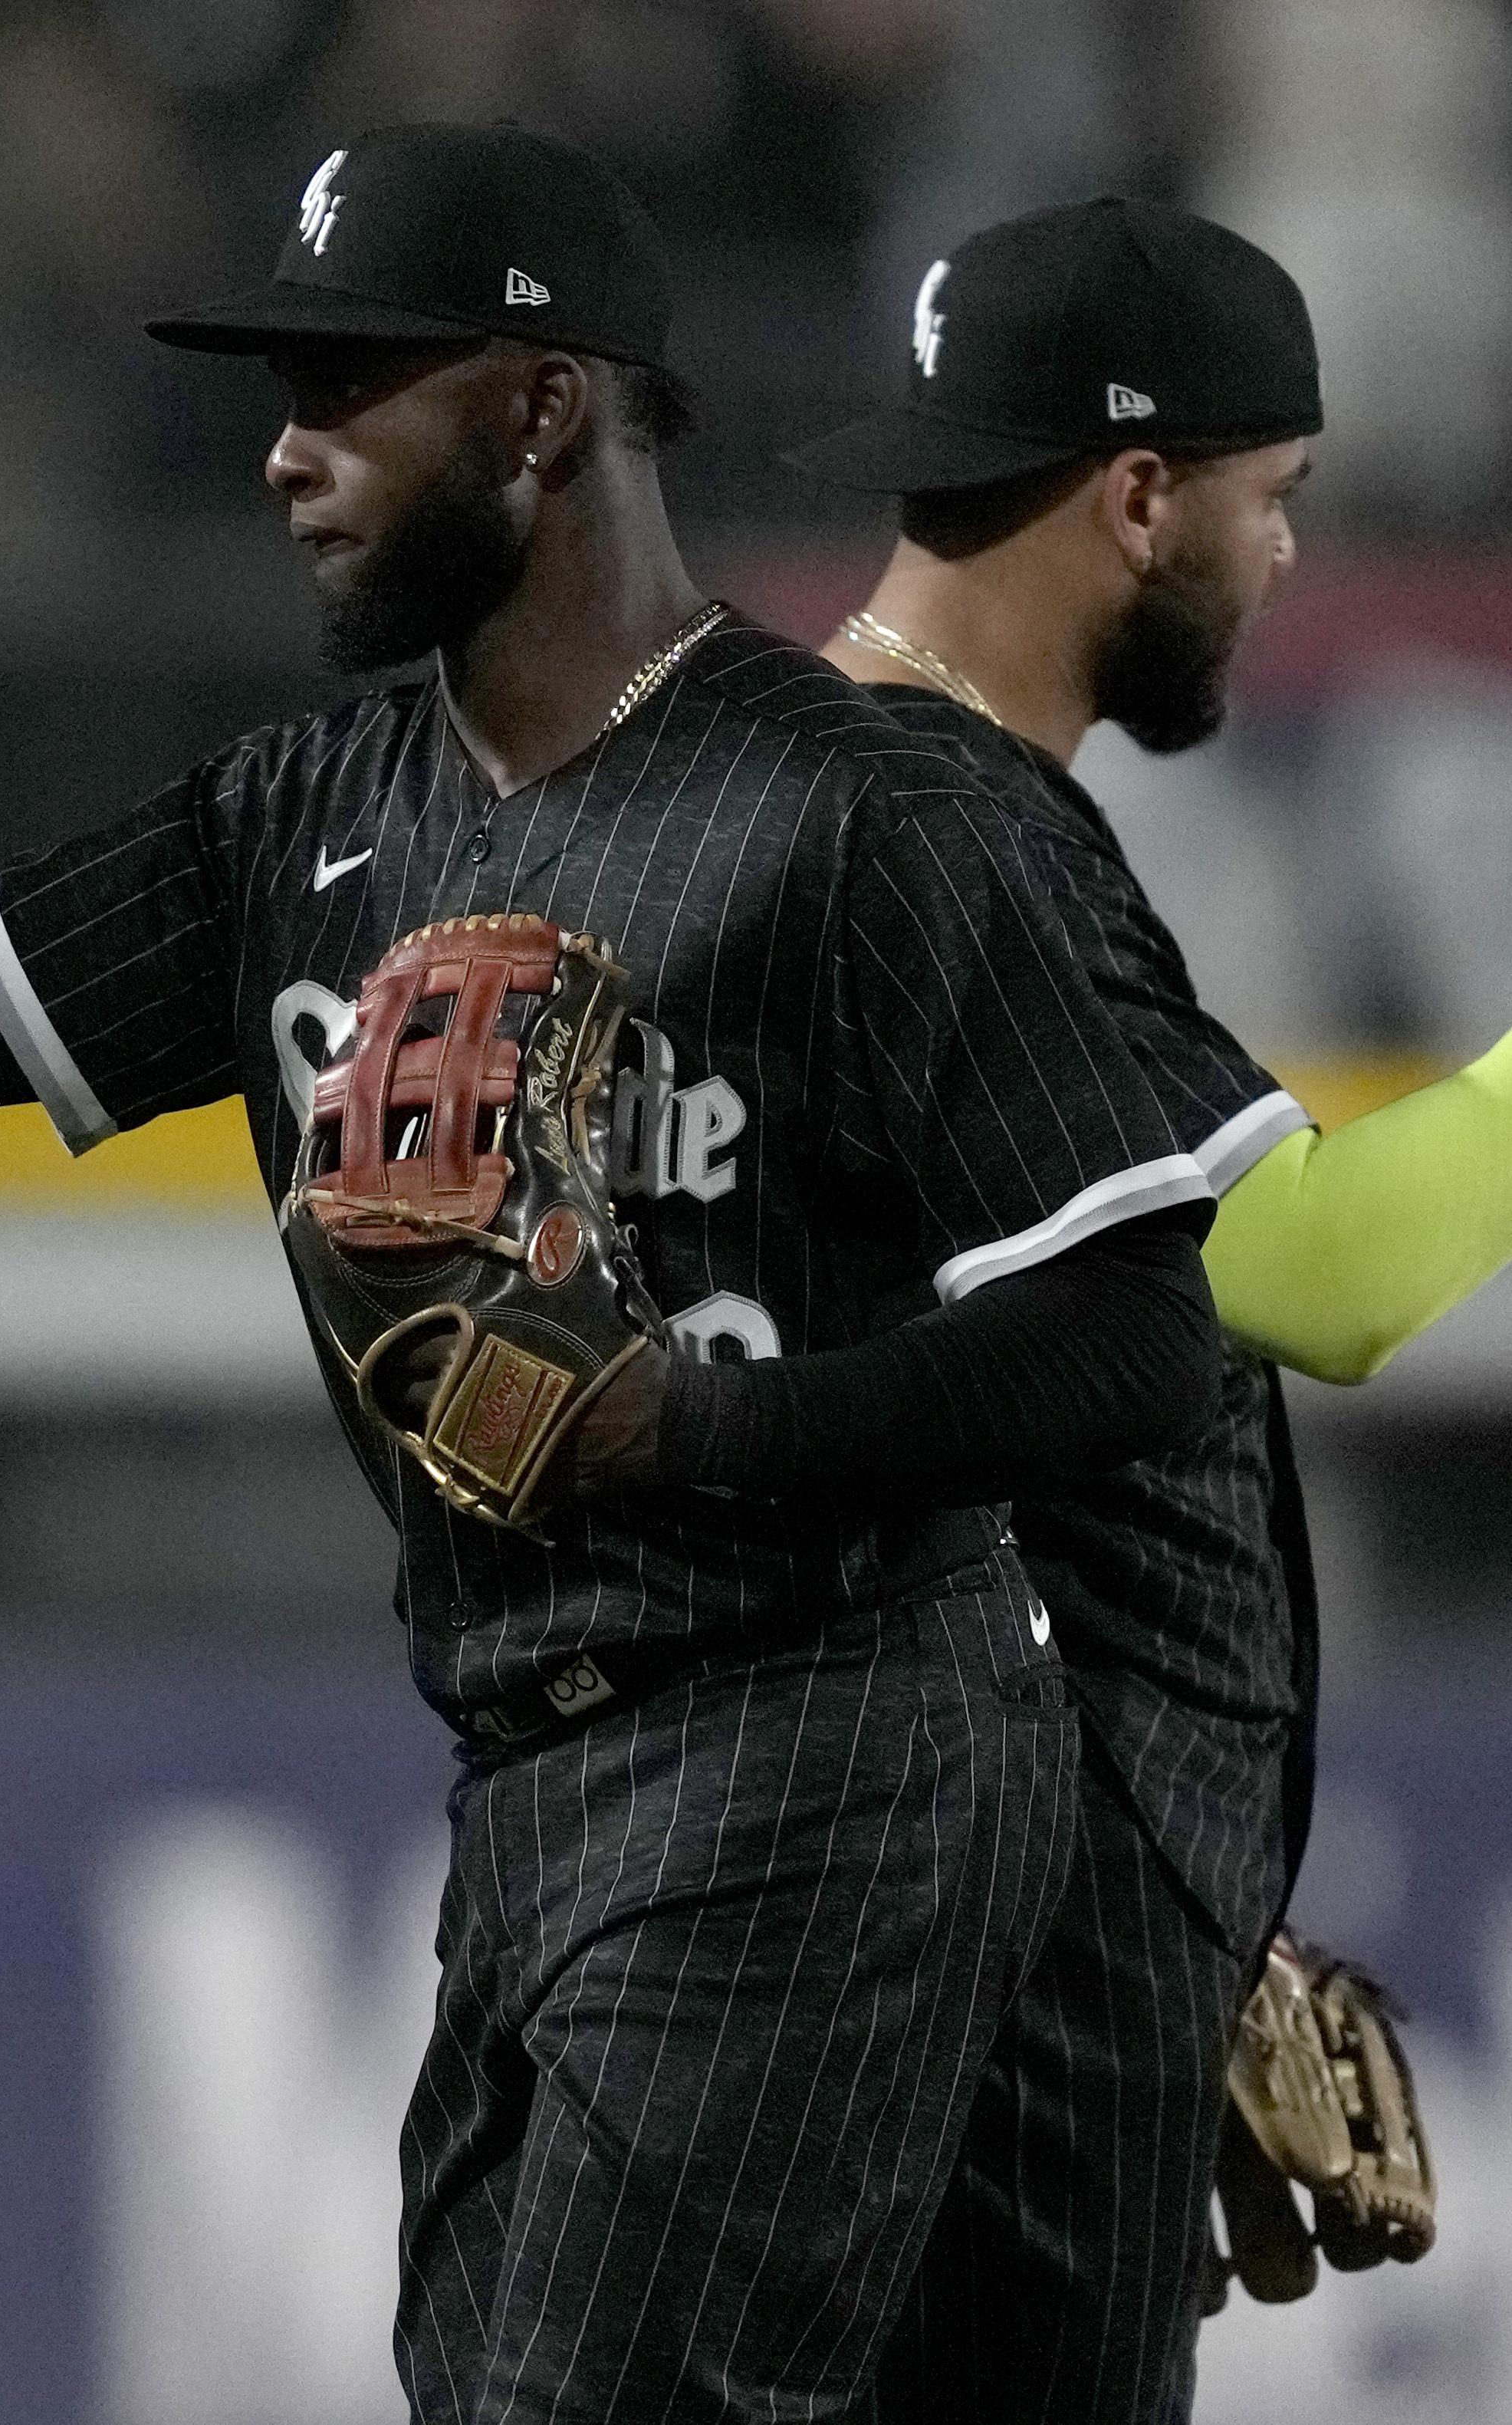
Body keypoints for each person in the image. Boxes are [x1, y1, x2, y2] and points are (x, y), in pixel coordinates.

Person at [0, 123, 1231, 2421]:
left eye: (348, 386)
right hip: (533, 1782)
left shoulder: (854, 807)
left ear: (540, 410)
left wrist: (687, 1426)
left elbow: (1141, 1326)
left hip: (827, 1734)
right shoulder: (301, 820)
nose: (283, 448)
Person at [795, 196, 1505, 2416]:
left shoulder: (823, 783)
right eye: (1267, 501)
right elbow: (1332, 1270)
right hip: (929, 1979)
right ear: (1136, 497)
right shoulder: (933, 824)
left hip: (920, 1913)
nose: (1287, 562)